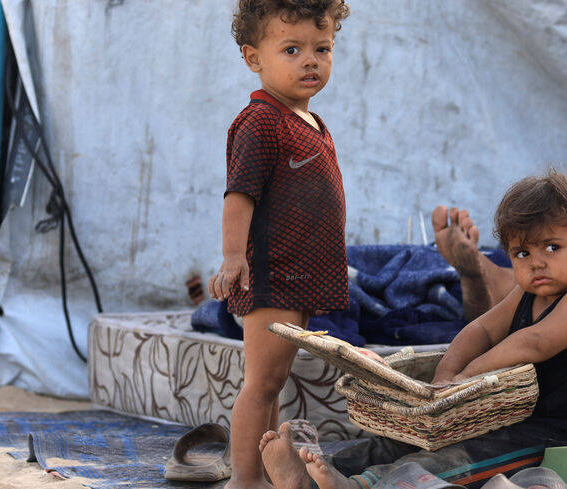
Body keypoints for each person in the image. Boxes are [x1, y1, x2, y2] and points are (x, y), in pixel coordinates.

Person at [258, 170, 567, 489]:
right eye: (522, 254)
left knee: (453, 459)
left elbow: (533, 342)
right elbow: (481, 330)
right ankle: (313, 476)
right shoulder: (528, 292)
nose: (536, 263)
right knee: (404, 441)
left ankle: (357, 486)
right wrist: (445, 378)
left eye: (552, 247)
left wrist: (468, 376)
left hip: (563, 435)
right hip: (513, 418)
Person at [207, 1, 351, 488]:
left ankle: (265, 473)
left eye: (322, 48)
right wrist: (232, 258)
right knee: (261, 384)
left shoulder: (310, 120)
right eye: (292, 49)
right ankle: (244, 480)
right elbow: (239, 195)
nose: (310, 60)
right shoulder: (262, 121)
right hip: (270, 276)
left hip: (299, 278)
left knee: (273, 383)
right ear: (254, 58)